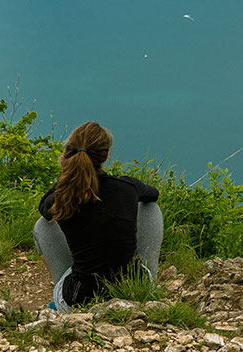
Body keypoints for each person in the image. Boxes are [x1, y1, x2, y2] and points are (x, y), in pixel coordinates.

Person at [33, 121, 162, 310]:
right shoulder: (128, 187)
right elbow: (153, 194)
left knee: (42, 225)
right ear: (106, 157)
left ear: (68, 155)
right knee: (151, 208)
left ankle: (63, 308)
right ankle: (148, 290)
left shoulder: (61, 198)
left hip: (79, 300)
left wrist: (67, 176)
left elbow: (43, 207)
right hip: (132, 294)